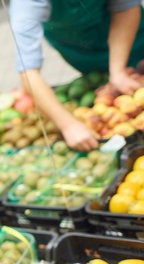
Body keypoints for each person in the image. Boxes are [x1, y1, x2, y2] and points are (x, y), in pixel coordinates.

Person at [9, 0, 144, 151]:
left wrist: (117, 71)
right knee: (99, 80)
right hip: (81, 48)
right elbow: (28, 72)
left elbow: (125, 8)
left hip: (132, 36)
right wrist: (68, 125)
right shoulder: (27, 4)